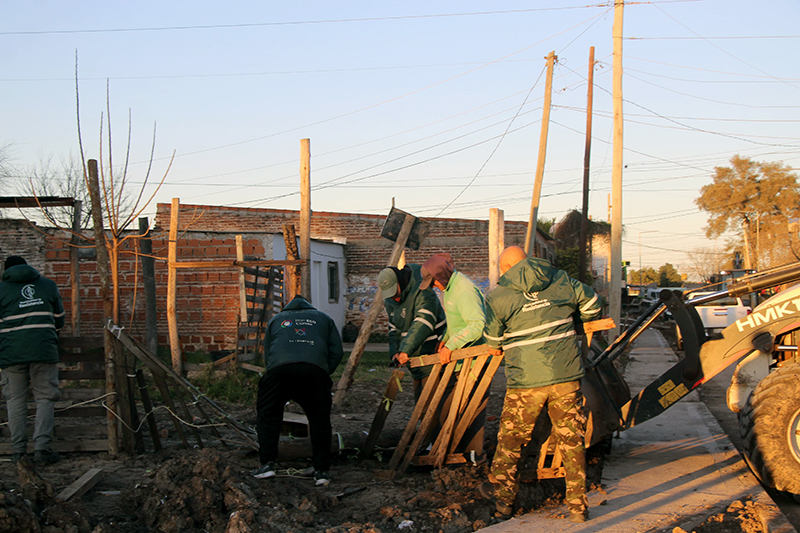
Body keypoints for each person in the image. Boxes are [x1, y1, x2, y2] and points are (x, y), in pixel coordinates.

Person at [480, 246, 602, 522]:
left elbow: (493, 342)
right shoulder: (560, 280)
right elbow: (593, 304)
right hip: (566, 377)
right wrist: (578, 319)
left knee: (511, 443)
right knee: (571, 442)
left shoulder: (498, 296)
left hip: (526, 382)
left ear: (507, 268)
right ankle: (578, 509)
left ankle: (503, 506)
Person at [252, 295, 344, 486]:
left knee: (268, 415)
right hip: (314, 372)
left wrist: (275, 370)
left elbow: (268, 352)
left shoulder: (276, 320)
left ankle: (267, 465)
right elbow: (337, 352)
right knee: (319, 420)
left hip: (279, 371)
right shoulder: (324, 318)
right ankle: (321, 471)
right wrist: (323, 372)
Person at [419, 252, 488, 458]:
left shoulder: (464, 289)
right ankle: (447, 448)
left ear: (442, 276)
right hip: (458, 359)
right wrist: (446, 339)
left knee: (471, 408)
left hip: (474, 359)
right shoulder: (449, 289)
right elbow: (455, 320)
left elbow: (477, 324)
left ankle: (471, 457)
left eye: (434, 282)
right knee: (446, 405)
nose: (434, 287)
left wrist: (453, 345)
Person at [0, 255, 65, 464]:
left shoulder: (1, 290)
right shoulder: (47, 285)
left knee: (15, 400)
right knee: (45, 397)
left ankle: (19, 452)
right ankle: (42, 449)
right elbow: (59, 319)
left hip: (11, 354)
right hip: (43, 351)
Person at [377, 264, 446, 400]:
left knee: (432, 402)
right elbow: (393, 327)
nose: (394, 298)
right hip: (414, 360)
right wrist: (395, 351)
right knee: (420, 401)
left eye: (394, 292)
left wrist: (405, 349)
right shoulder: (391, 300)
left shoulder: (422, 291)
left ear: (400, 282)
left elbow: (423, 322)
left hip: (432, 354)